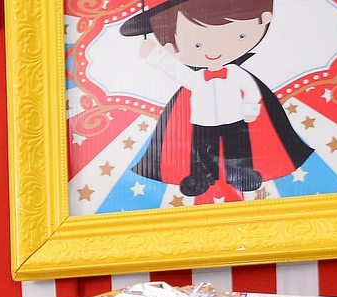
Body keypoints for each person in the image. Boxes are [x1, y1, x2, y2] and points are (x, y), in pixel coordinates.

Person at [121, 0, 311, 197]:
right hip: (202, 122)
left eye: (239, 36)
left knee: (237, 148)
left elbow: (251, 90)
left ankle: (241, 173)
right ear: (171, 47)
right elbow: (176, 72)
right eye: (197, 45)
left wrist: (249, 108)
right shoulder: (196, 78)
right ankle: (201, 176)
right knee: (202, 150)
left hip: (235, 119)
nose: (214, 50)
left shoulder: (235, 73)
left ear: (264, 18)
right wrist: (154, 55)